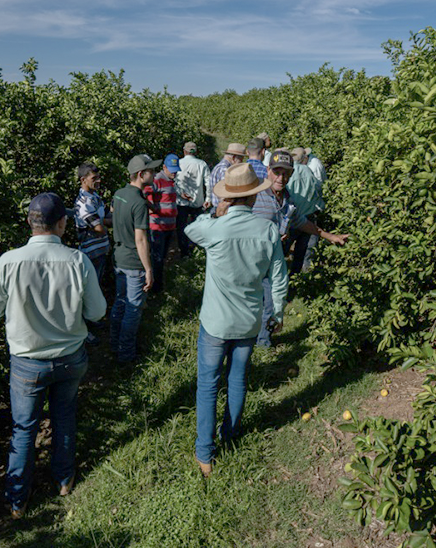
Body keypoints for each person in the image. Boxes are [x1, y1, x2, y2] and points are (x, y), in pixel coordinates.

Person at [0, 193, 106, 519]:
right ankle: (63, 480)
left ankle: (17, 500)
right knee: (64, 417)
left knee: (24, 429)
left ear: (29, 222)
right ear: (62, 223)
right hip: (69, 356)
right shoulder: (77, 261)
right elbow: (98, 310)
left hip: (27, 361)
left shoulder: (9, 261)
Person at [185, 164, 289, 476]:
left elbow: (189, 231)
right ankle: (229, 435)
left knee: (208, 384)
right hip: (248, 321)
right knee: (238, 380)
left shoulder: (215, 229)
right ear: (254, 198)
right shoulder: (268, 231)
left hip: (216, 321)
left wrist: (214, 214)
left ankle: (205, 453)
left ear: (229, 198)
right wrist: (279, 313)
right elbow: (279, 277)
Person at [253, 151, 349, 340]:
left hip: (274, 259)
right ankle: (249, 339)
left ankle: (262, 341)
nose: (281, 178)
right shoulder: (255, 196)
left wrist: (331, 236)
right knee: (257, 300)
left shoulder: (287, 199)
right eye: (277, 172)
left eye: (286, 173)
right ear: (267, 171)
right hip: (254, 259)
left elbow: (302, 222)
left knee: (271, 300)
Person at [110, 154, 158, 364]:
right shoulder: (139, 203)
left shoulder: (119, 194)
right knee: (133, 308)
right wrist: (148, 269)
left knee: (119, 302)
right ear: (141, 175)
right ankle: (126, 355)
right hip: (132, 261)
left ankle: (114, 343)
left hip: (118, 257)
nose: (154, 174)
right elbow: (140, 240)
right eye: (151, 171)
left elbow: (113, 211)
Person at [74, 162, 111, 344]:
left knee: (94, 289)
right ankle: (83, 330)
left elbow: (104, 221)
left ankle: (91, 320)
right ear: (83, 180)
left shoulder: (95, 197)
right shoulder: (83, 203)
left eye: (98, 177)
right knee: (86, 292)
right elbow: (99, 227)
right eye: (94, 178)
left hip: (100, 251)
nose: (98, 181)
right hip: (91, 254)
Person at [285, 147, 325, 275]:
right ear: (303, 159)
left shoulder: (288, 172)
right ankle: (299, 275)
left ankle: (281, 275)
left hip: (293, 216)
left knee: (284, 246)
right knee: (304, 249)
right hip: (308, 216)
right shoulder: (307, 171)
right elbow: (318, 189)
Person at [143, 153, 180, 293]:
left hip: (169, 226)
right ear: (164, 167)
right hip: (158, 227)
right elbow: (144, 194)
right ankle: (156, 288)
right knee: (157, 258)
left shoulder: (171, 180)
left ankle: (158, 284)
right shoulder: (157, 179)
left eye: (176, 170)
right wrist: (153, 208)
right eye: (172, 170)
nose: (174, 173)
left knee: (162, 257)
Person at [176, 141, 210, 257]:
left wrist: (180, 193)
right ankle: (195, 250)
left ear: (184, 151)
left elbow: (174, 182)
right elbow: (208, 183)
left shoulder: (178, 163)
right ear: (196, 152)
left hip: (181, 201)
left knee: (181, 227)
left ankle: (184, 252)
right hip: (197, 201)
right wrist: (208, 198)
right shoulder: (202, 164)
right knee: (197, 226)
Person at [209, 142, 246, 211]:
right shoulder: (225, 170)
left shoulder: (218, 167)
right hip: (222, 210)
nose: (241, 162)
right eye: (241, 159)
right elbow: (226, 195)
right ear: (234, 158)